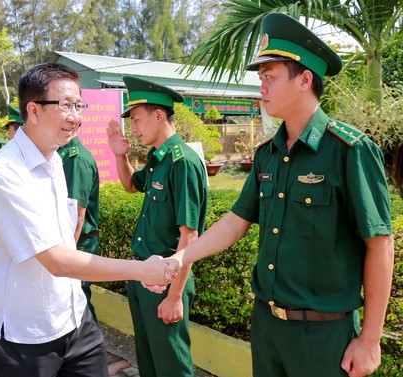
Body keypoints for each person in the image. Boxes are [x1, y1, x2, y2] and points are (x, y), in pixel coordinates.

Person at [162, 13, 394, 377]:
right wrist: (181, 258)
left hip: (323, 335)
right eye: (260, 79)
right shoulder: (268, 153)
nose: (261, 88)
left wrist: (369, 339)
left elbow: (379, 243)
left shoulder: (350, 151)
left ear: (304, 79)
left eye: (269, 77)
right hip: (268, 327)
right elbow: (237, 221)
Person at [0, 62, 172, 377]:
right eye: (67, 105)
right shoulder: (4, 173)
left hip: (74, 320)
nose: (77, 116)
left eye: (79, 105)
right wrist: (141, 270)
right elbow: (56, 259)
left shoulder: (54, 160)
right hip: (22, 336)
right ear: (34, 110)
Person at [106, 76, 208, 377]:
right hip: (142, 274)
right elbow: (128, 185)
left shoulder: (182, 162)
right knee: (149, 361)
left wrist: (175, 296)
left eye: (137, 120)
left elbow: (190, 236)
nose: (134, 128)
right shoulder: (156, 159)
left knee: (172, 366)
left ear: (159, 115)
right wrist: (120, 154)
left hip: (166, 279)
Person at [58, 126, 100, 320]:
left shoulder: (76, 159)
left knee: (79, 304)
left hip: (78, 243)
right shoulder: (62, 153)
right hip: (69, 243)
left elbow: (77, 214)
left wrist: (67, 253)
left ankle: (92, 347)